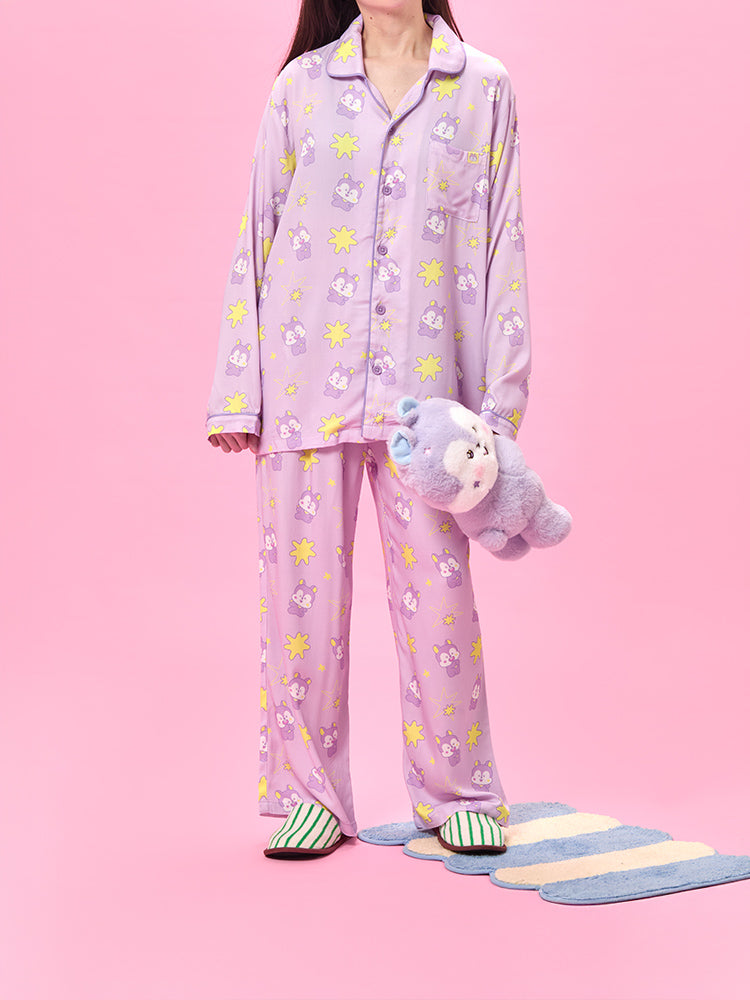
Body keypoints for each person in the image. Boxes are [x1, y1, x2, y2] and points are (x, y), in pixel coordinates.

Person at [205, 0, 532, 859]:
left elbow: (503, 243)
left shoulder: (481, 88)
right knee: (299, 603)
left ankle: (457, 790)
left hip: (427, 395)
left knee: (440, 591)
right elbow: (258, 232)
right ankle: (310, 792)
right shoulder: (301, 87)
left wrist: (499, 410)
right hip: (304, 376)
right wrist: (239, 390)